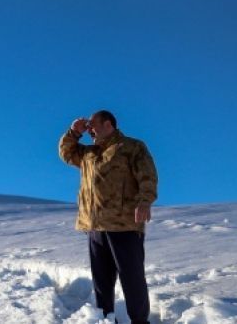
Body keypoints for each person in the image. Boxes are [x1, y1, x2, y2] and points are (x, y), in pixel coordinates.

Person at [59, 110, 158, 324]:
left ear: (108, 124)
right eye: (87, 127)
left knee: (132, 279)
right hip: (95, 227)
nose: (90, 130)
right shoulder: (88, 154)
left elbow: (148, 175)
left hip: (124, 224)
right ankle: (104, 320)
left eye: (93, 125)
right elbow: (66, 153)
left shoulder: (131, 147)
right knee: (102, 283)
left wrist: (144, 201)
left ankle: (140, 322)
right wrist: (74, 132)